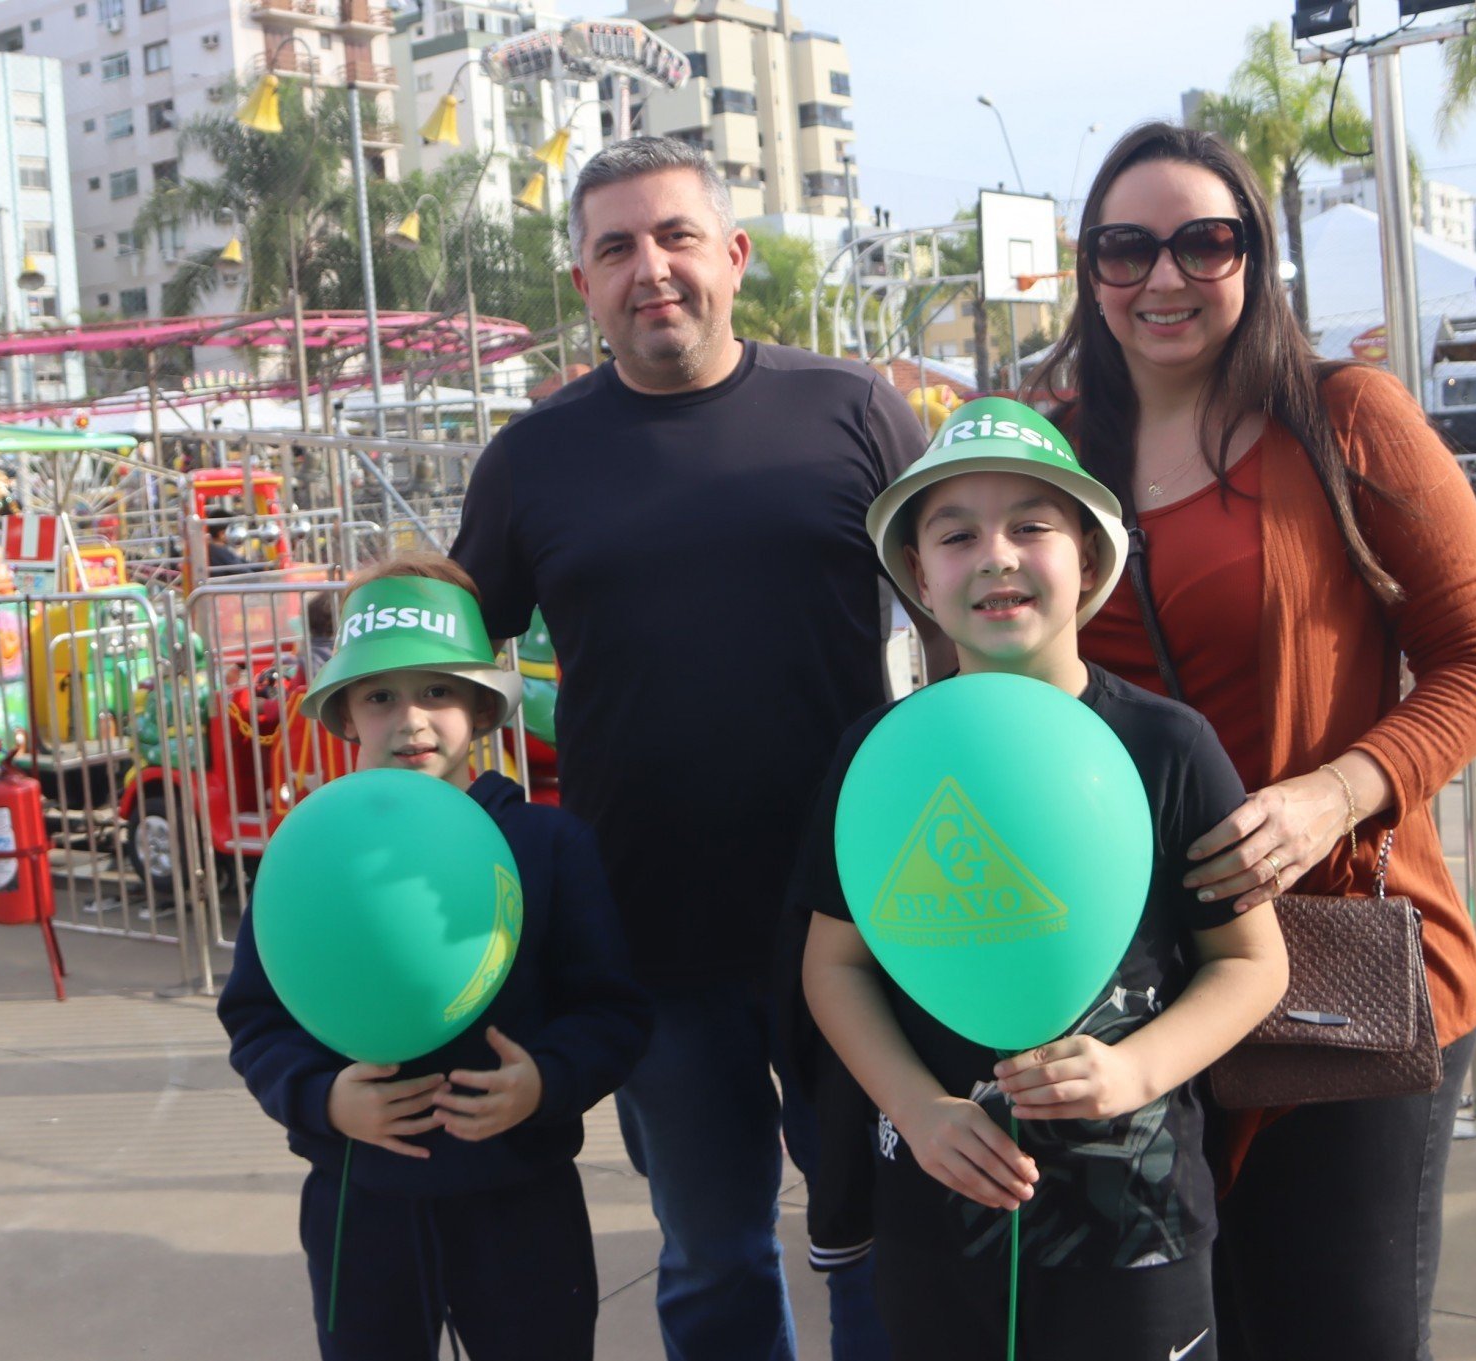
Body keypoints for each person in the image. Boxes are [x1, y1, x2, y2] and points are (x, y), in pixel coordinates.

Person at [1031, 122, 1476, 1359]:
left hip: (1335, 965)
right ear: (1088, 270)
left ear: (1255, 257)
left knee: (1337, 1331)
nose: (1164, 277)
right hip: (1130, 979)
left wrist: (1336, 791)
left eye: (1206, 242)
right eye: (1125, 247)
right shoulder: (1048, 451)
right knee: (1185, 1331)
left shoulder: (1345, 419)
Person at [451, 135, 934, 1361]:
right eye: (615, 247)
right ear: (584, 286)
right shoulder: (532, 461)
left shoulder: (855, 411)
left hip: (859, 920)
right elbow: (447, 666)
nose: (649, 268)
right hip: (651, 937)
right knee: (711, 1250)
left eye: (674, 237)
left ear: (733, 255)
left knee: (877, 1234)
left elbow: (973, 613)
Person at [800, 401, 1288, 1360]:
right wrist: (915, 1107)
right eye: (955, 534)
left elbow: (1252, 962)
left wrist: (1134, 1068)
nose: (996, 554)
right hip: (940, 1222)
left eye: (1032, 524)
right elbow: (834, 966)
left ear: (1091, 561)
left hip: (1134, 1228)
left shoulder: (1165, 745)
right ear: (919, 581)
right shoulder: (881, 756)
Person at [218, 549, 650, 1361]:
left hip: (520, 1197)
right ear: (345, 714)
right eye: (380, 695)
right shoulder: (308, 855)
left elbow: (613, 1012)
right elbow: (255, 1017)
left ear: (483, 709)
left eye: (437, 690)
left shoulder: (549, 846)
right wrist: (321, 1098)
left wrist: (545, 1080)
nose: (410, 718)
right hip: (360, 1198)